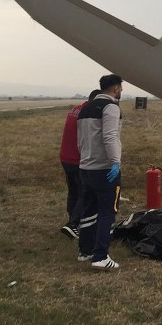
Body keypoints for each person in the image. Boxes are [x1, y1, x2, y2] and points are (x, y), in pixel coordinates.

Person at [76, 74, 124, 270]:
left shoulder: (85, 108)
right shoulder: (111, 107)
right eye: (120, 87)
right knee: (107, 212)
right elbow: (110, 136)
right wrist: (115, 162)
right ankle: (100, 256)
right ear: (115, 88)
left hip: (86, 167)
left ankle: (84, 251)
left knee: (88, 210)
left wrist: (85, 158)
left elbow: (80, 140)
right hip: (104, 169)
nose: (121, 91)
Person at [59, 89, 101, 239]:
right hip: (78, 159)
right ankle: (73, 224)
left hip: (65, 157)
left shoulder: (74, 110)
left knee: (73, 192)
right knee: (85, 192)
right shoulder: (89, 114)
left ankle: (72, 222)